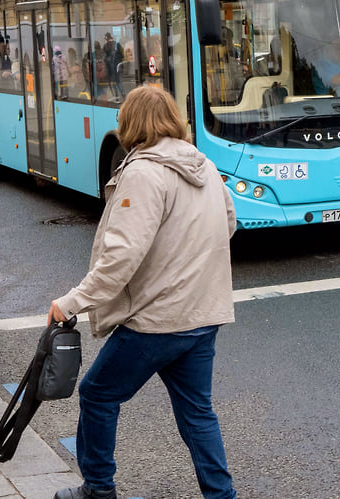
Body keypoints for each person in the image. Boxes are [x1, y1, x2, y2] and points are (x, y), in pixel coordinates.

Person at [48, 86, 238, 499]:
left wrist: (71, 302)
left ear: (129, 123)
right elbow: (228, 222)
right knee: (197, 412)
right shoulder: (202, 163)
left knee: (97, 394)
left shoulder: (142, 171)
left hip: (159, 321)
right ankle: (221, 496)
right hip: (204, 314)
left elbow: (121, 257)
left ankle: (98, 488)